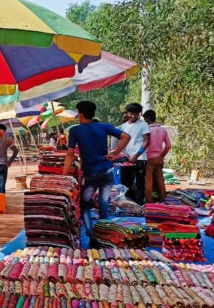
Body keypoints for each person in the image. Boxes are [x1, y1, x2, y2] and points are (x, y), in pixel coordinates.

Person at [63, 101, 131, 237]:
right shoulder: (104, 126)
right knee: (104, 202)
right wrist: (115, 153)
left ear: (81, 115)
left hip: (90, 174)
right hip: (107, 171)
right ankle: (103, 235)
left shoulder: (75, 130)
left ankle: (90, 232)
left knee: (85, 204)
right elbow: (126, 137)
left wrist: (64, 175)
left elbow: (70, 154)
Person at [120, 103, 150, 205]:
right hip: (126, 158)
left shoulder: (143, 124)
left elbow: (146, 141)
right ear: (127, 113)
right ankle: (127, 204)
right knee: (125, 182)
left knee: (140, 183)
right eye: (131, 114)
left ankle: (139, 204)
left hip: (140, 158)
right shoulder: (123, 126)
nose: (133, 116)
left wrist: (137, 155)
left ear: (139, 114)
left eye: (136, 114)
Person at [143, 110, 171, 203]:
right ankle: (163, 199)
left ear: (147, 119)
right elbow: (168, 146)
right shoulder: (163, 130)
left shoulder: (147, 130)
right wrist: (161, 156)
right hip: (159, 157)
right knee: (160, 180)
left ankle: (149, 202)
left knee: (149, 181)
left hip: (149, 157)